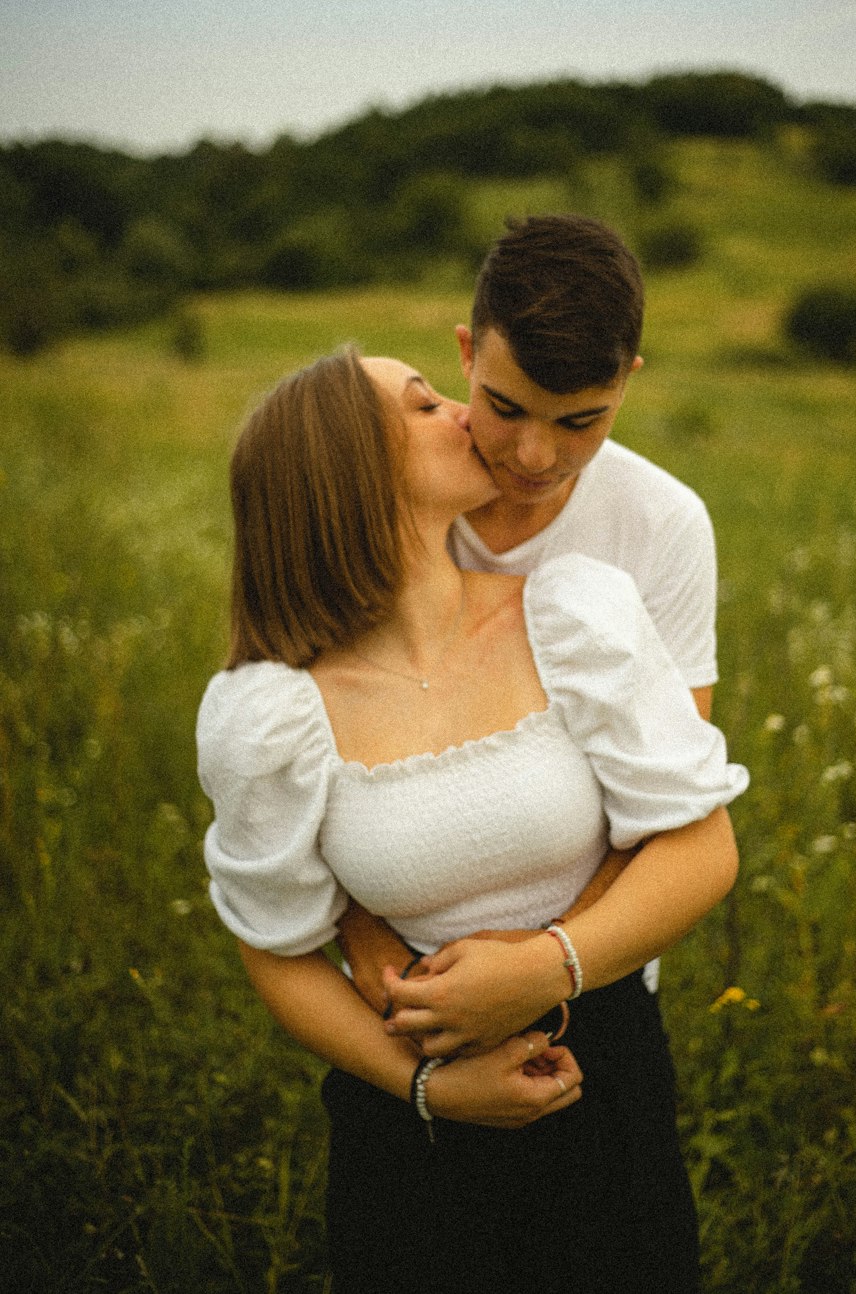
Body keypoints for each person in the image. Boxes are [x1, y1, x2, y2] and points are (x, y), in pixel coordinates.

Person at [196, 346, 748, 1292]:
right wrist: (428, 1087)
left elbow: (702, 844)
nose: (464, 415)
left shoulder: (574, 614)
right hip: (403, 1112)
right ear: (345, 475)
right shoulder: (271, 715)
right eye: (423, 406)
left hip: (598, 1071)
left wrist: (542, 966)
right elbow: (277, 950)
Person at [336, 213, 719, 1009]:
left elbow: (666, 808)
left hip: (598, 978)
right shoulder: (394, 493)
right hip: (402, 1001)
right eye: (505, 409)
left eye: (581, 421)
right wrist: (384, 967)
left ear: (627, 380)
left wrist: (543, 966)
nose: (534, 458)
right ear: (466, 353)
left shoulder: (664, 524)